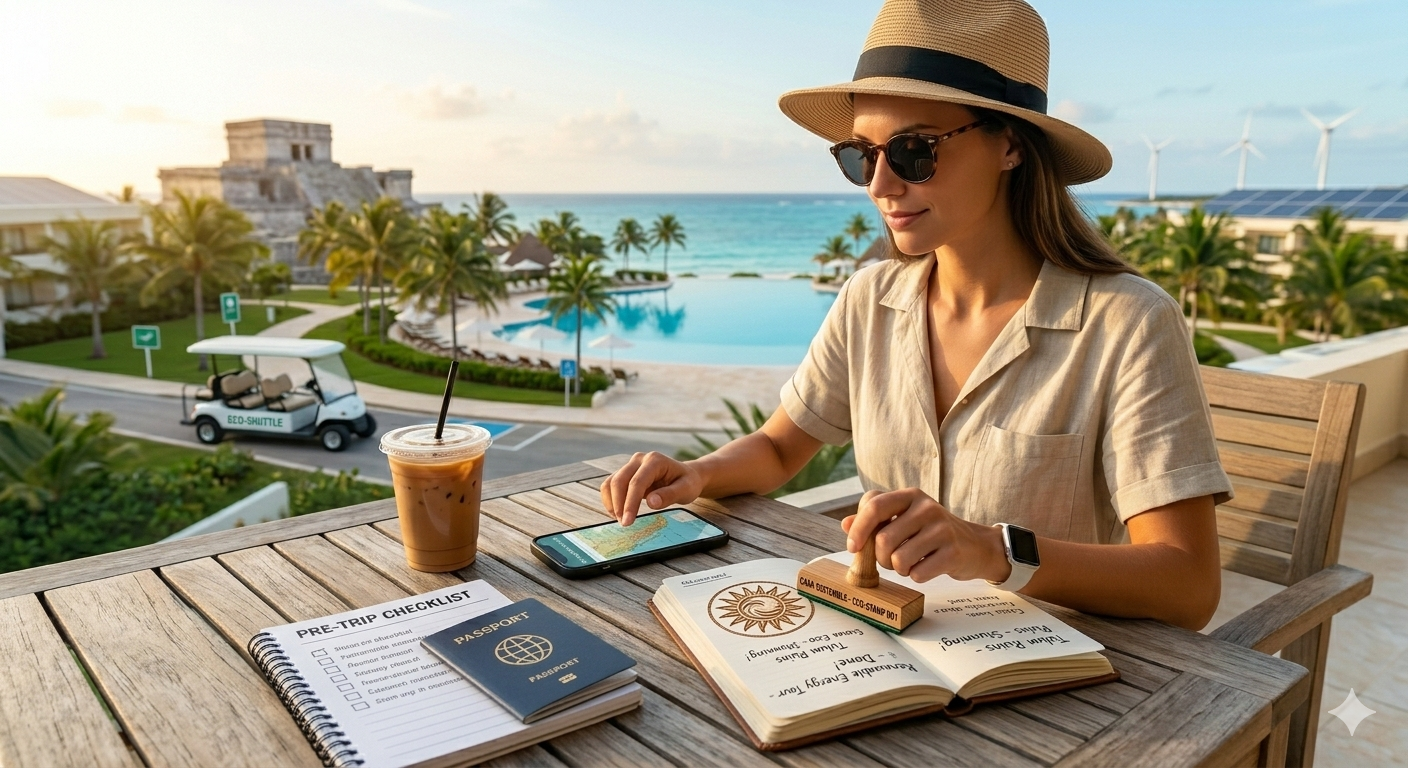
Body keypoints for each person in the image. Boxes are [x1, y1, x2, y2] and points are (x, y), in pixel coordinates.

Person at [601, 0, 1232, 631]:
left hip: (1040, 678)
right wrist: (695, 475)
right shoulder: (869, 300)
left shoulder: (1126, 324)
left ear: (1010, 145)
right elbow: (776, 446)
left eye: (912, 152)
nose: (880, 184)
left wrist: (993, 550)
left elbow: (1187, 583)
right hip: (878, 642)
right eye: (860, 155)